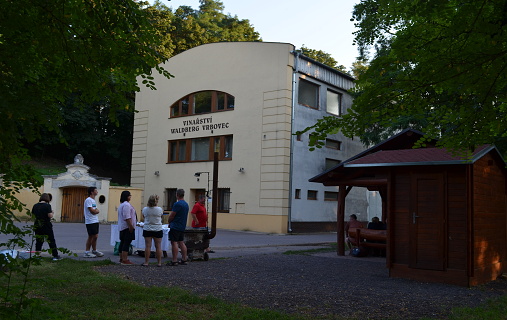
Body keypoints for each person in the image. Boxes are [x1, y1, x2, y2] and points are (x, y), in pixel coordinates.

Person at [33, 193, 62, 261]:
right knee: (51, 240)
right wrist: (52, 212)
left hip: (37, 225)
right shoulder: (47, 206)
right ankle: (55, 255)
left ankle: (38, 255)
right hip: (46, 225)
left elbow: (33, 215)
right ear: (47, 199)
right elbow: (50, 215)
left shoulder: (35, 205)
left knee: (39, 241)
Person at [167, 188, 189, 266]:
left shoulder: (177, 204)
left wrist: (169, 221)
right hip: (182, 225)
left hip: (175, 225)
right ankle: (184, 259)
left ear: (177, 195)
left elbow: (172, 215)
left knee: (174, 242)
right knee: (181, 242)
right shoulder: (186, 204)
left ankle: (174, 260)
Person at [141, 194, 163, 267]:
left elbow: (143, 216)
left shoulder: (145, 209)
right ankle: (159, 262)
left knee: (147, 246)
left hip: (147, 228)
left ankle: (146, 262)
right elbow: (161, 216)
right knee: (158, 246)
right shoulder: (159, 209)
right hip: (157, 228)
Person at [118, 190, 137, 265]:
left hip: (123, 227)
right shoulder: (126, 205)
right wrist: (130, 226)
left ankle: (121, 258)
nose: (130, 197)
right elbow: (127, 217)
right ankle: (125, 259)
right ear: (127, 196)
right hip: (127, 227)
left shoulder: (122, 205)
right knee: (126, 242)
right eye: (129, 195)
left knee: (122, 242)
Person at [83, 186, 104, 258]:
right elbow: (92, 211)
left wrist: (96, 211)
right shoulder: (88, 200)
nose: (97, 191)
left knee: (95, 236)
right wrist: (96, 211)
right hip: (90, 221)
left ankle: (94, 250)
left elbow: (95, 209)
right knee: (91, 236)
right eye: (95, 190)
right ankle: (87, 252)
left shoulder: (93, 200)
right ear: (92, 192)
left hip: (95, 220)